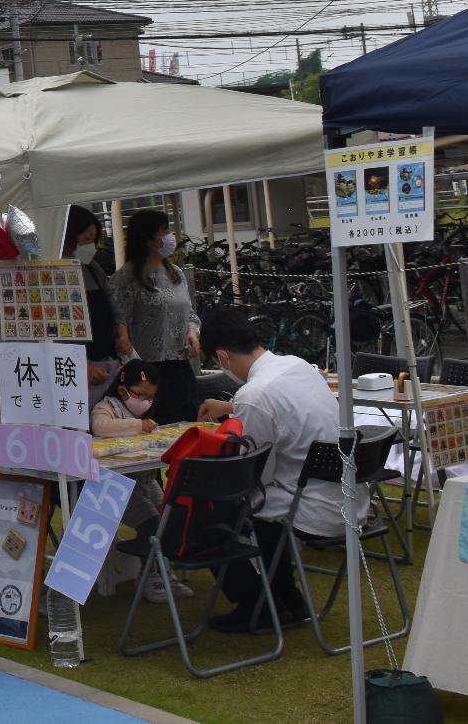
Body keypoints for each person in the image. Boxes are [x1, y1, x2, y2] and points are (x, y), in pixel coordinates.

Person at [197, 311, 364, 634]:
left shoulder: (254, 395)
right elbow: (286, 409)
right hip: (348, 497)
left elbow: (253, 471)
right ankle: (287, 598)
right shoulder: (298, 366)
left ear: (222, 357)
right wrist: (232, 408)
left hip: (308, 506)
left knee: (211, 513)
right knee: (259, 508)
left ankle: (255, 604)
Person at [90, 360, 185, 604]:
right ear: (123, 391)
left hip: (144, 480)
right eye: (140, 395)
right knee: (152, 525)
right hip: (115, 485)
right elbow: (100, 427)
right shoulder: (108, 406)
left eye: (150, 397)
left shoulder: (147, 415)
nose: (145, 401)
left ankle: (165, 573)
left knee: (167, 521)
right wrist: (138, 425)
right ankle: (149, 577)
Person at [110, 209, 200, 424]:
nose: (170, 236)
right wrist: (123, 340)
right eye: (164, 231)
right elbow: (119, 318)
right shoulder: (125, 277)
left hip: (180, 366)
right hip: (147, 371)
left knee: (189, 421)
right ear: (148, 239)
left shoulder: (176, 273)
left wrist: (193, 333)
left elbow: (191, 314)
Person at [66, 205, 121, 400]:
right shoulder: (52, 273)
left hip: (105, 363)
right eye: (87, 239)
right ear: (69, 237)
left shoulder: (93, 269)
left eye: (94, 239)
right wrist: (80, 366)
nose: (92, 247)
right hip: (71, 372)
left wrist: (121, 336)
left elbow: (113, 307)